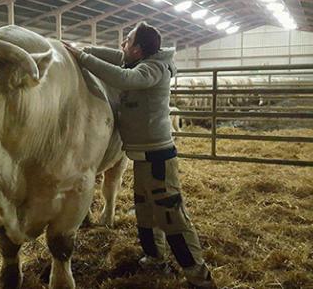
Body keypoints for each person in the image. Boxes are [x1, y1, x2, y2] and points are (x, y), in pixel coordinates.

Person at [63, 22, 217, 289]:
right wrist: (78, 49)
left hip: (158, 158)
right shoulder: (138, 60)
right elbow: (112, 56)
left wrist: (83, 58)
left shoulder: (153, 69)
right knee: (145, 212)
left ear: (138, 49)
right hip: (142, 157)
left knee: (172, 216)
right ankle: (155, 257)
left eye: (128, 40)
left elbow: (124, 79)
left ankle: (198, 276)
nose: (122, 44)